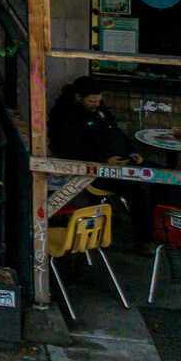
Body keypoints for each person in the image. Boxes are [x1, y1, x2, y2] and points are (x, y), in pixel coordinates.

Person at [48, 77, 151, 245]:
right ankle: (144, 240)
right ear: (78, 97)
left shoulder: (99, 110)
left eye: (99, 99)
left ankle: (163, 228)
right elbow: (72, 151)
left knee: (152, 172)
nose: (96, 104)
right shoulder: (65, 116)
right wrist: (104, 160)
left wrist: (132, 151)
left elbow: (116, 132)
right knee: (140, 185)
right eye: (92, 101)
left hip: (120, 160)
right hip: (96, 170)